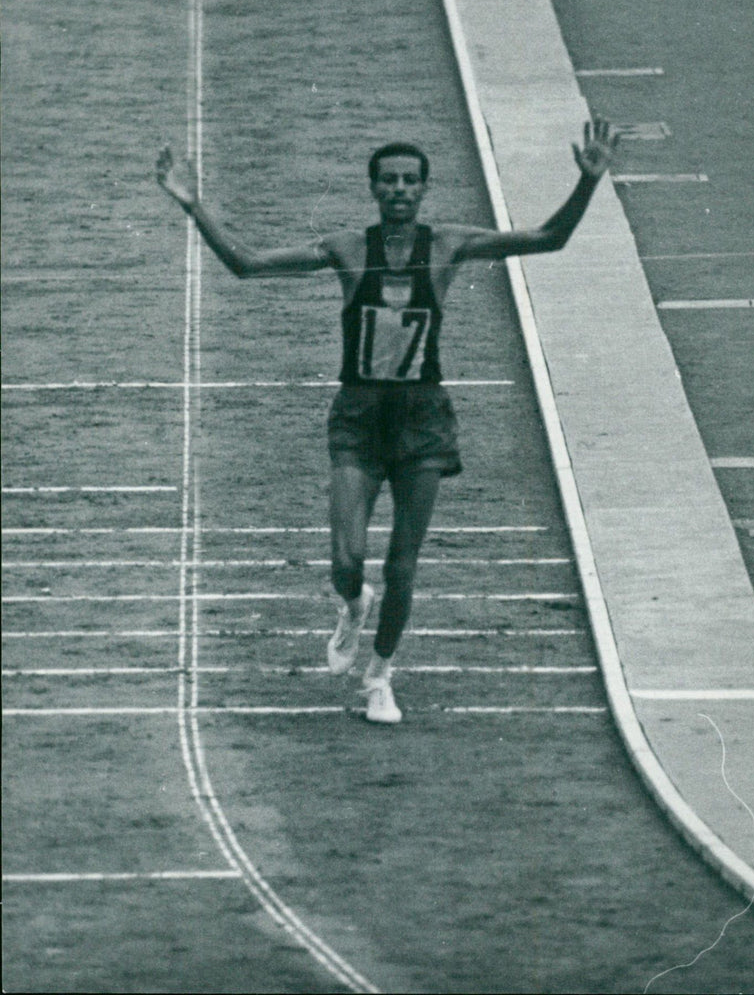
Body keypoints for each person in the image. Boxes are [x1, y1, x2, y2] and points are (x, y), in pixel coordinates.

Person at [156, 119, 618, 724]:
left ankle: (380, 674)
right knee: (346, 559)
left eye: (410, 180)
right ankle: (352, 606)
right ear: (374, 189)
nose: (400, 188)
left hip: (423, 418)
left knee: (403, 564)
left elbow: (549, 238)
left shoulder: (449, 244)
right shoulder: (349, 249)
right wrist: (194, 207)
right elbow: (246, 265)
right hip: (359, 416)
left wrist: (587, 182)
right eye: (389, 180)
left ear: (424, 189)